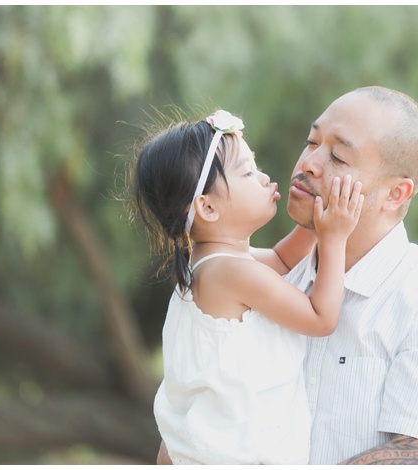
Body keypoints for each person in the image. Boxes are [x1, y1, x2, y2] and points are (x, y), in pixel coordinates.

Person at [282, 86, 418, 464]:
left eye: (338, 156)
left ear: (395, 194)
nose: (308, 163)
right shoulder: (269, 285)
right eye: (311, 141)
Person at [130, 110, 364, 464]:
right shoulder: (231, 273)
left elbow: (285, 261)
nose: (264, 176)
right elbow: (320, 317)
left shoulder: (216, 263)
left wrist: (316, 218)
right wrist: (334, 238)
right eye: (248, 172)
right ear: (207, 207)